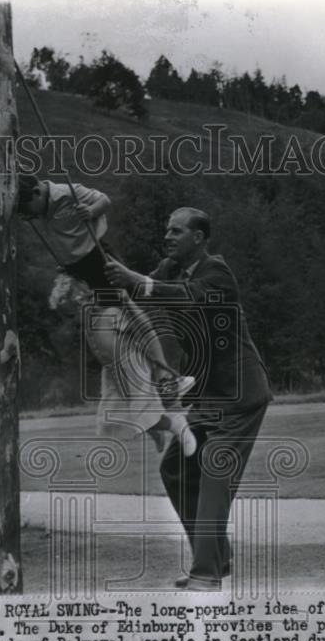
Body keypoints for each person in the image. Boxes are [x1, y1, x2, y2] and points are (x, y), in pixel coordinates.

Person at [105, 207, 273, 591]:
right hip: (207, 399)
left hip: (240, 397)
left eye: (176, 231)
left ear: (198, 238)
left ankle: (206, 574)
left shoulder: (217, 272)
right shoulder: (171, 270)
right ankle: (215, 557)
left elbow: (186, 297)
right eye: (166, 230)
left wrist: (139, 283)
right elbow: (140, 293)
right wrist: (96, 256)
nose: (167, 236)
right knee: (176, 470)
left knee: (214, 473)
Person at [16, 175, 196, 454]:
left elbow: (104, 200)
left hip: (98, 259)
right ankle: (162, 396)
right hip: (80, 266)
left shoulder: (66, 192)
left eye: (29, 211)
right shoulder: (41, 205)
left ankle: (167, 375)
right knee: (126, 319)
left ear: (38, 194)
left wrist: (91, 212)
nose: (31, 218)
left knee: (130, 310)